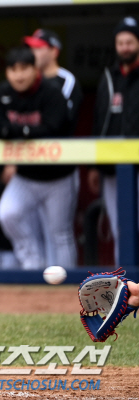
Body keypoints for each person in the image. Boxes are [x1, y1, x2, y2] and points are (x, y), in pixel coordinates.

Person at [0, 47, 76, 270]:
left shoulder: (51, 91)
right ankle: (33, 263)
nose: (18, 75)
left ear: (34, 69)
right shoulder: (2, 93)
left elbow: (54, 128)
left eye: (24, 69)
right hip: (25, 175)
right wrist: (26, 131)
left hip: (58, 176)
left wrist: (18, 131)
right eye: (13, 70)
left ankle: (69, 284)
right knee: (7, 214)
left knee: (60, 232)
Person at [90, 16, 139, 265]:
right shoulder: (109, 77)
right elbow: (100, 121)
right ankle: (127, 280)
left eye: (130, 41)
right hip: (113, 167)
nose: (125, 47)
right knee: (121, 225)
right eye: (121, 42)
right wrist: (97, 165)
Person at [24, 29, 83, 133]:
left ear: (54, 52)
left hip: (60, 145)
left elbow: (62, 118)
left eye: (38, 48)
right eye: (31, 49)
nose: (32, 54)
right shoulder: (27, 78)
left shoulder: (67, 80)